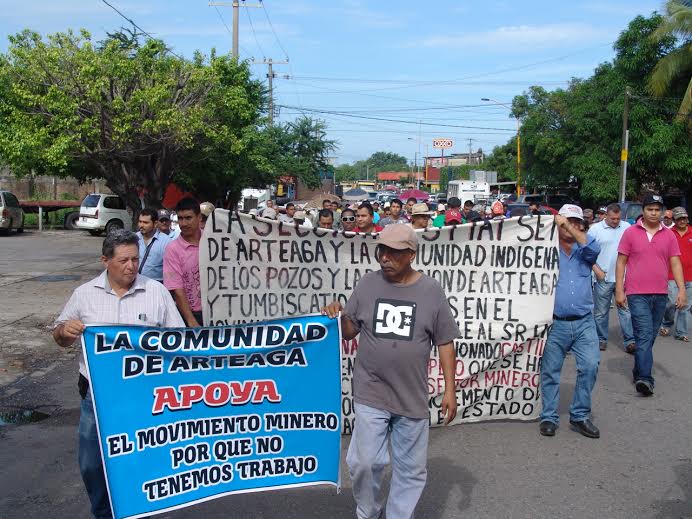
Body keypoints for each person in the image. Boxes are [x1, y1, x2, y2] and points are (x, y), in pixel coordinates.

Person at [320, 224, 459, 519]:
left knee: (410, 470)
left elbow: (445, 342)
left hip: (411, 396)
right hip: (371, 391)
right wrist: (337, 314)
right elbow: (348, 332)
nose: (385, 257)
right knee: (363, 462)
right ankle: (368, 512)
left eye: (394, 252)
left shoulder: (431, 291)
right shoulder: (368, 285)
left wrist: (450, 390)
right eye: (382, 250)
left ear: (411, 254)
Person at [53, 230, 184, 518]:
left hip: (145, 394)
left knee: (142, 460)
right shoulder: (84, 295)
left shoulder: (156, 292)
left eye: (136, 259)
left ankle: (139, 510)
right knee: (92, 463)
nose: (131, 267)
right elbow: (59, 336)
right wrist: (66, 331)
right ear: (105, 261)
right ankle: (103, 512)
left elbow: (178, 340)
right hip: (97, 396)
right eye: (124, 260)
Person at [539, 204, 602, 439]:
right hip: (555, 323)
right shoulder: (544, 250)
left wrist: (568, 225)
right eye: (566, 221)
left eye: (576, 222)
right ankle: (548, 416)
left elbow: (592, 247)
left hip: (585, 321)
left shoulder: (585, 250)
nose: (571, 226)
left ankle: (580, 415)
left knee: (590, 365)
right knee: (551, 371)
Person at [615, 194, 686, 396]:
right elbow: (621, 262)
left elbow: (675, 263)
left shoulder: (669, 235)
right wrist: (620, 290)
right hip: (637, 293)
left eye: (657, 210)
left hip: (660, 294)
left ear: (662, 212)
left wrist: (681, 290)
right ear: (643, 211)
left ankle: (639, 370)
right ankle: (646, 379)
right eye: (650, 209)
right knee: (644, 334)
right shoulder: (630, 233)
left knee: (649, 336)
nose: (654, 213)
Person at [588, 203, 634, 352]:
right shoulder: (595, 230)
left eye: (618, 219)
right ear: (605, 215)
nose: (616, 221)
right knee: (601, 312)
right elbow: (585, 252)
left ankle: (630, 341)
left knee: (625, 311)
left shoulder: (627, 227)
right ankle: (601, 339)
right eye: (613, 218)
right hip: (604, 277)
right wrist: (596, 269)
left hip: (623, 278)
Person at [164, 197, 203, 327]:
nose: (184, 223)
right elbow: (177, 290)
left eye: (188, 218)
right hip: (192, 315)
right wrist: (191, 321)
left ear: (199, 218)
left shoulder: (214, 241)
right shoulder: (173, 249)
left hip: (219, 313)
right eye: (180, 218)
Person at [660, 207, 692, 342]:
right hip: (671, 274)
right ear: (675, 220)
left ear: (687, 218)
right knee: (671, 302)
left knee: (686, 305)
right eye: (679, 219)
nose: (682, 221)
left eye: (684, 218)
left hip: (690, 275)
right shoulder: (668, 233)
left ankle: (681, 332)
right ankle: (667, 322)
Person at [136, 207, 171, 283]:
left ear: (155, 224)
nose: (141, 225)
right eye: (140, 221)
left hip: (157, 284)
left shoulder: (166, 241)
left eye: (145, 222)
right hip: (135, 282)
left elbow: (171, 268)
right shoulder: (134, 238)